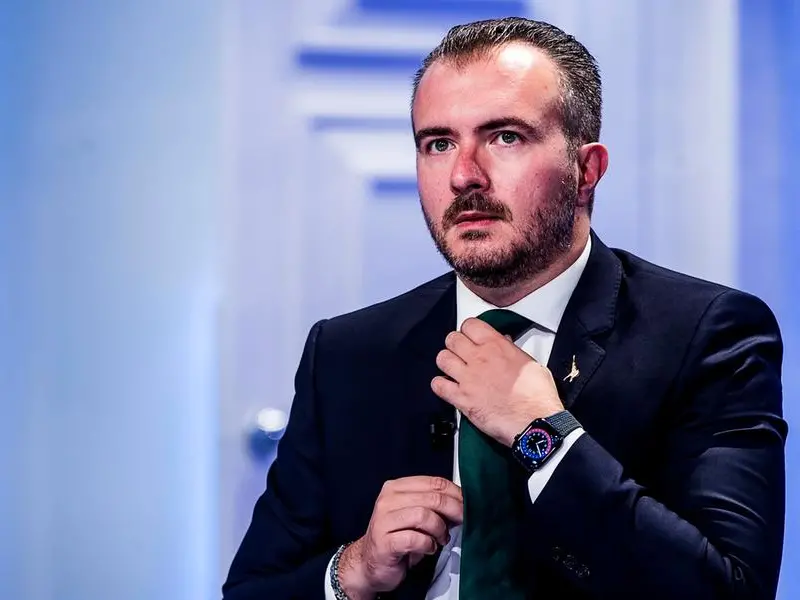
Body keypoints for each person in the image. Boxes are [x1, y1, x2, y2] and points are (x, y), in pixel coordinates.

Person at [221, 17, 787, 600]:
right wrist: (353, 570)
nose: (464, 175)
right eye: (438, 144)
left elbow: (730, 589)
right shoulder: (348, 354)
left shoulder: (706, 334)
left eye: (505, 137)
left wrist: (544, 436)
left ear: (587, 170)